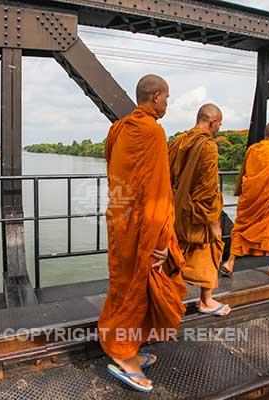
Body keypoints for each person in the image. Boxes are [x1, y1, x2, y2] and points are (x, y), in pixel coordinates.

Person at [98, 74, 188, 393]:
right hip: (142, 229)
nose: (167, 103)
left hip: (120, 221)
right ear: (155, 96)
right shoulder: (152, 132)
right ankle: (123, 357)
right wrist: (161, 241)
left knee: (125, 285)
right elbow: (157, 194)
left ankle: (125, 345)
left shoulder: (119, 129)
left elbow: (117, 174)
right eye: (166, 98)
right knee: (137, 288)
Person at [169, 104, 231, 316]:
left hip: (177, 209)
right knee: (210, 249)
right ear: (213, 122)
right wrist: (213, 222)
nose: (219, 129)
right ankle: (206, 301)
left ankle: (169, 297)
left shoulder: (178, 141)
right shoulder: (207, 147)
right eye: (219, 125)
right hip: (197, 214)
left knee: (177, 254)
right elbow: (207, 190)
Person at [221, 121, 269, 278]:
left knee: (242, 228)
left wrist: (240, 190)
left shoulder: (253, 149)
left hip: (250, 198)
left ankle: (230, 262)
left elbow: (244, 171)